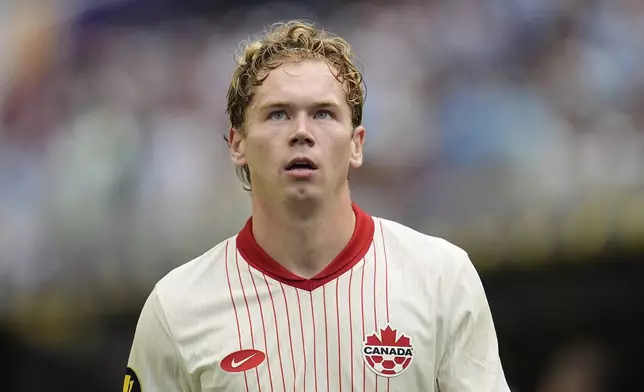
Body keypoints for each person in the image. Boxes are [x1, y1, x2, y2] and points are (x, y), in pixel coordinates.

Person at [124, 20, 511, 392]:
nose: (302, 133)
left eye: (323, 114)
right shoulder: (175, 309)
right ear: (237, 143)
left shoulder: (442, 279)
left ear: (356, 144)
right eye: (278, 114)